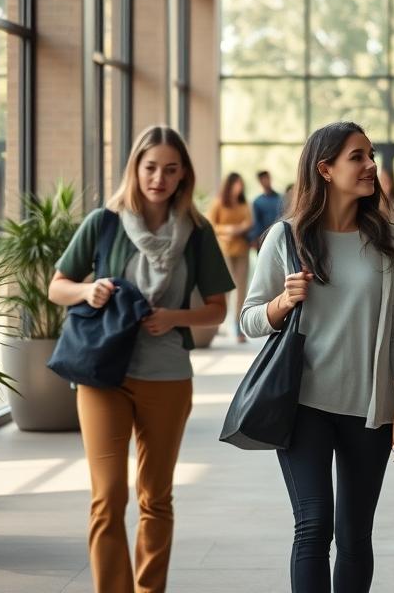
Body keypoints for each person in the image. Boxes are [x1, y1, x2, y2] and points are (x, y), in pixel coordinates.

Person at [48, 125, 235, 593]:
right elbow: (56, 285)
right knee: (107, 497)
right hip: (103, 374)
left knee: (156, 498)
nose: (159, 178)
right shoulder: (104, 221)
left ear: (183, 176)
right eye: (151, 167)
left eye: (171, 169)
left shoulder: (196, 231)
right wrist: (87, 290)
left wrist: (174, 317)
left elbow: (218, 308)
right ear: (135, 168)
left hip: (167, 376)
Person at [239, 121, 394, 593]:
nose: (370, 165)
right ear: (326, 168)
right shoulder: (286, 237)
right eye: (357, 156)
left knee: (356, 536)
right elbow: (250, 318)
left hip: (369, 408)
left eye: (371, 154)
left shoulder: (391, 241)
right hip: (303, 405)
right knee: (314, 526)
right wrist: (281, 303)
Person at [206, 172, 254, 342]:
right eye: (236, 184)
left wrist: (238, 229)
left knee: (241, 289)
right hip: (223, 251)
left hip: (242, 250)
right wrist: (228, 230)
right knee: (224, 288)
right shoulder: (218, 203)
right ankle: (217, 322)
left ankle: (238, 328)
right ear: (229, 185)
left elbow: (249, 223)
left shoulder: (244, 203)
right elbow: (210, 224)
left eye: (241, 184)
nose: (239, 187)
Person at [249, 170, 285, 249]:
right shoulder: (257, 202)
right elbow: (257, 223)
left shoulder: (281, 198)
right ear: (260, 182)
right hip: (263, 239)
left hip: (280, 237)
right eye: (263, 179)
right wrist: (254, 238)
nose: (265, 181)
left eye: (267, 178)